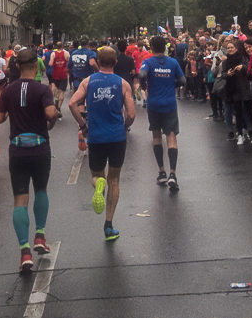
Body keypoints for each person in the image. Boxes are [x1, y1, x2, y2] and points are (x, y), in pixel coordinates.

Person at [0, 48, 57, 273]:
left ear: (17, 66)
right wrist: (54, 116)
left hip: (18, 151)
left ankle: (25, 252)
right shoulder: (42, 89)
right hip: (40, 148)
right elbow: (50, 114)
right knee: (41, 190)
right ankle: (40, 236)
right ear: (36, 65)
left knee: (20, 199)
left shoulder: (9, 90)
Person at [69, 47, 135, 241]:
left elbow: (72, 104)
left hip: (96, 136)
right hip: (116, 136)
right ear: (115, 63)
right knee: (114, 179)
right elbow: (131, 114)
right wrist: (125, 126)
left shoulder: (88, 82)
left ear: (97, 61)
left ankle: (99, 184)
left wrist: (83, 125)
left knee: (97, 176)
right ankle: (108, 226)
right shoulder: (123, 84)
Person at [140, 36, 185, 190]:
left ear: (152, 47)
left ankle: (161, 172)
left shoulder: (148, 62)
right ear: (165, 47)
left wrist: (144, 85)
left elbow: (142, 75)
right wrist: (172, 86)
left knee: (157, 135)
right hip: (170, 104)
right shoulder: (173, 62)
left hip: (154, 104)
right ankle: (173, 173)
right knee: (171, 137)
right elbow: (183, 81)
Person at [221, 38, 252, 143]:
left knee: (249, 111)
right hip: (233, 89)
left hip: (245, 87)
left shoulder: (243, 58)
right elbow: (222, 74)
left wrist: (243, 67)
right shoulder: (225, 61)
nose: (230, 49)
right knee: (238, 112)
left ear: (236, 48)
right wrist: (227, 74)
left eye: (232, 47)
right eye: (228, 48)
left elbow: (248, 69)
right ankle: (240, 134)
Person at [47, 41, 70, 114]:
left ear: (56, 47)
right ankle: (59, 107)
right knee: (61, 92)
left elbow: (50, 64)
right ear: (63, 46)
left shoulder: (53, 54)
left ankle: (53, 103)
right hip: (63, 75)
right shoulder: (66, 53)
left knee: (54, 89)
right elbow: (69, 63)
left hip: (55, 74)